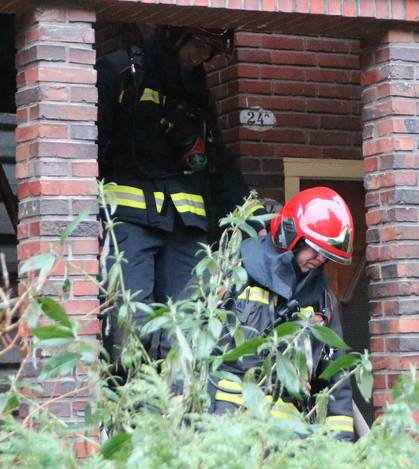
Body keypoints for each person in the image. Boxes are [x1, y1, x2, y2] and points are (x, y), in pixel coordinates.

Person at [96, 25, 251, 364]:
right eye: (197, 43)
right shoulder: (123, 72)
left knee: (187, 328)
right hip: (130, 222)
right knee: (129, 326)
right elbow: (88, 146)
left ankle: (175, 411)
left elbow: (219, 162)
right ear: (173, 36)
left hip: (186, 230)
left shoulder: (198, 94)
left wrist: (252, 215)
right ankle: (127, 410)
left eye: (209, 50)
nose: (202, 56)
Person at [208, 187, 358, 441]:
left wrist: (340, 453)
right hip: (226, 437)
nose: (320, 259)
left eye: (326, 255)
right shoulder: (233, 274)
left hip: (287, 449)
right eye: (314, 248)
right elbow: (193, 348)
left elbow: (336, 385)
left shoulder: (322, 302)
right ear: (291, 235)